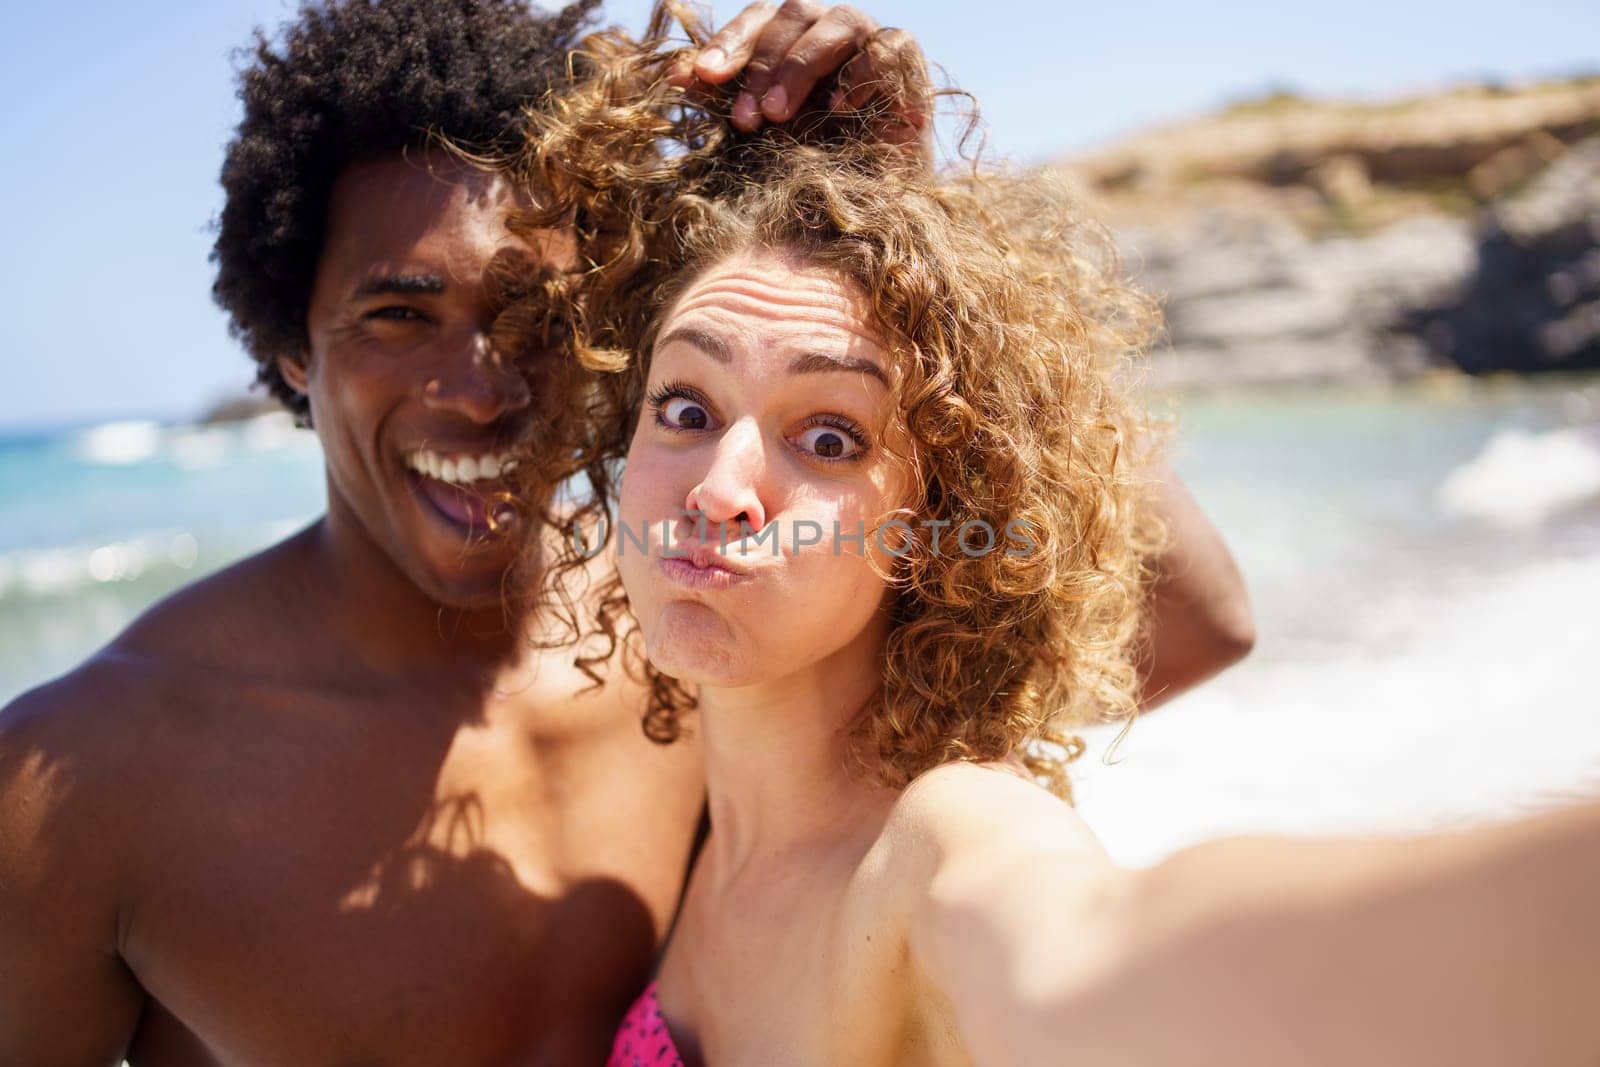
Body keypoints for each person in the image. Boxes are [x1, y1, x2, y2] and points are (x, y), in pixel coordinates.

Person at [0, 1, 1251, 1063]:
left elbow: (1185, 628)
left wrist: (895, 229)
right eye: (397, 313)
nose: (482, 387)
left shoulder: (691, 616)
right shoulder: (84, 780)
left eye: (532, 310)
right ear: (286, 349)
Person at [505, 25, 1600, 1067]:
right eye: (686, 408)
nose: (721, 487)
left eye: (829, 434)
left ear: (938, 522)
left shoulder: (939, 844)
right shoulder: (686, 812)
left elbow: (1112, 956)